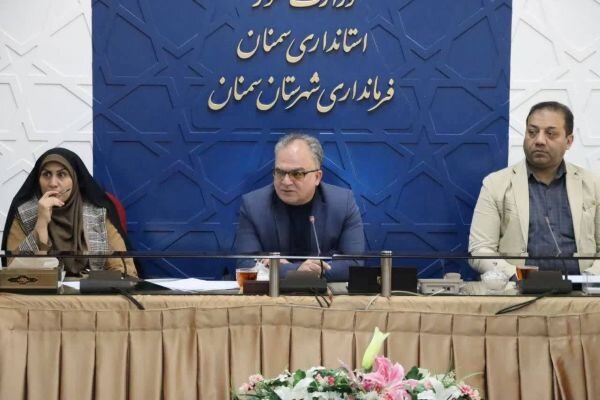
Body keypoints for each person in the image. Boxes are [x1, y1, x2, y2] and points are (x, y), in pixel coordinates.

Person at [469, 101, 600, 277]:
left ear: (568, 141)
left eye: (550, 134)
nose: (539, 140)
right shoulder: (495, 184)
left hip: (580, 290)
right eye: (532, 132)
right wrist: (519, 276)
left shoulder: (593, 184)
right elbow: (480, 249)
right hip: (517, 289)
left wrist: (588, 279)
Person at [234, 133, 365, 281]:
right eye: (280, 172)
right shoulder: (254, 205)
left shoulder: (342, 203)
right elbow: (245, 264)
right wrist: (298, 270)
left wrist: (290, 269)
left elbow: (355, 264)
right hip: (273, 294)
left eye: (297, 174)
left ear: (317, 177)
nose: (286, 182)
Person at [1, 148, 137, 276]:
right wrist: (41, 224)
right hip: (42, 292)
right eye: (46, 174)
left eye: (62, 174)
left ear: (75, 179)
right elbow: (14, 273)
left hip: (92, 292)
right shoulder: (24, 214)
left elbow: (125, 270)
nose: (53, 183)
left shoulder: (97, 214)